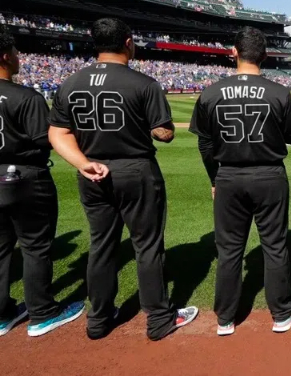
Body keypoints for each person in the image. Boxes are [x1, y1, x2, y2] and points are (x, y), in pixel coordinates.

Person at [48, 18, 198, 341]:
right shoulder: (143, 83)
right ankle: (159, 319)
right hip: (136, 171)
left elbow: (57, 133)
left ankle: (98, 320)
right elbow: (165, 133)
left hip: (92, 173)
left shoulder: (70, 83)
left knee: (101, 245)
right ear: (128, 43)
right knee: (147, 245)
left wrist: (83, 163)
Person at [189, 27, 291, 336]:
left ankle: (225, 319)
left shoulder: (211, 92)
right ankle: (282, 314)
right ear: (264, 56)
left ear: (234, 52)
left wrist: (214, 178)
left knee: (229, 249)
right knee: (276, 245)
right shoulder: (279, 92)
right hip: (269, 175)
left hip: (227, 176)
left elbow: (204, 144)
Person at [0, 28, 84, 337]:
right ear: (7, 55)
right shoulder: (26, 96)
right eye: (16, 52)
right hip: (24, 177)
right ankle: (42, 312)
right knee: (36, 246)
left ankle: (2, 315)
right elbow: (45, 140)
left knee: (0, 248)